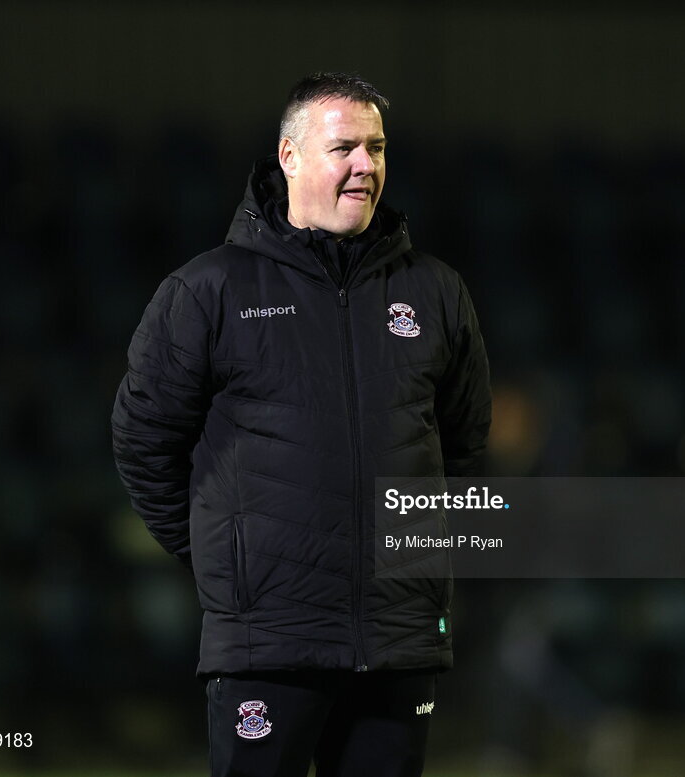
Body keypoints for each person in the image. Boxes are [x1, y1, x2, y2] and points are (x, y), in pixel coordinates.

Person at [111, 72, 491, 777]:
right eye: (343, 146)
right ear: (288, 156)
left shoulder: (435, 292)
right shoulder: (209, 289)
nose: (364, 166)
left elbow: (461, 443)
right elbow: (143, 442)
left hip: (397, 640)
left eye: (376, 148)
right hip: (267, 640)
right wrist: (228, 557)